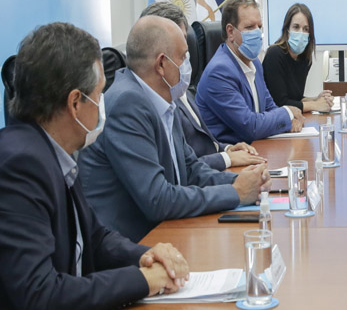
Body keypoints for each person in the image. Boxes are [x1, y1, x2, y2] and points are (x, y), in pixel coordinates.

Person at [0, 23, 190, 310]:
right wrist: (141, 281)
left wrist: (146, 256)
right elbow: (40, 295)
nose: (103, 105)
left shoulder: (53, 151)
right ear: (76, 102)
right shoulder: (20, 164)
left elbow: (95, 238)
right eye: (100, 94)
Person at [79, 16, 269, 243]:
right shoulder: (127, 103)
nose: (188, 64)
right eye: (183, 56)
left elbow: (190, 170)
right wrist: (235, 193)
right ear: (161, 64)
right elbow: (158, 199)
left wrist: (245, 182)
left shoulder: (166, 99)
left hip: (168, 232)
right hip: (133, 245)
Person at [140, 2, 266, 172]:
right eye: (178, 42)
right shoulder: (153, 103)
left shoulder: (181, 90)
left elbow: (204, 145)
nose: (186, 49)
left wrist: (227, 149)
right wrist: (226, 159)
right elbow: (180, 168)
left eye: (185, 39)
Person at [195, 0, 305, 143]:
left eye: (259, 27)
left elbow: (270, 106)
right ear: (230, 32)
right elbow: (250, 126)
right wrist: (287, 113)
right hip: (232, 157)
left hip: (256, 149)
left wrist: (289, 121)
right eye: (249, 27)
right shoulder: (219, 72)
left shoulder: (254, 63)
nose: (257, 33)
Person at [263, 3, 333, 113]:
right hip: (273, 119)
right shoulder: (274, 54)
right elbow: (280, 103)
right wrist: (315, 105)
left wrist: (316, 99)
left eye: (306, 29)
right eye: (296, 27)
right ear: (287, 30)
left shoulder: (304, 59)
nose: (301, 33)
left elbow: (295, 98)